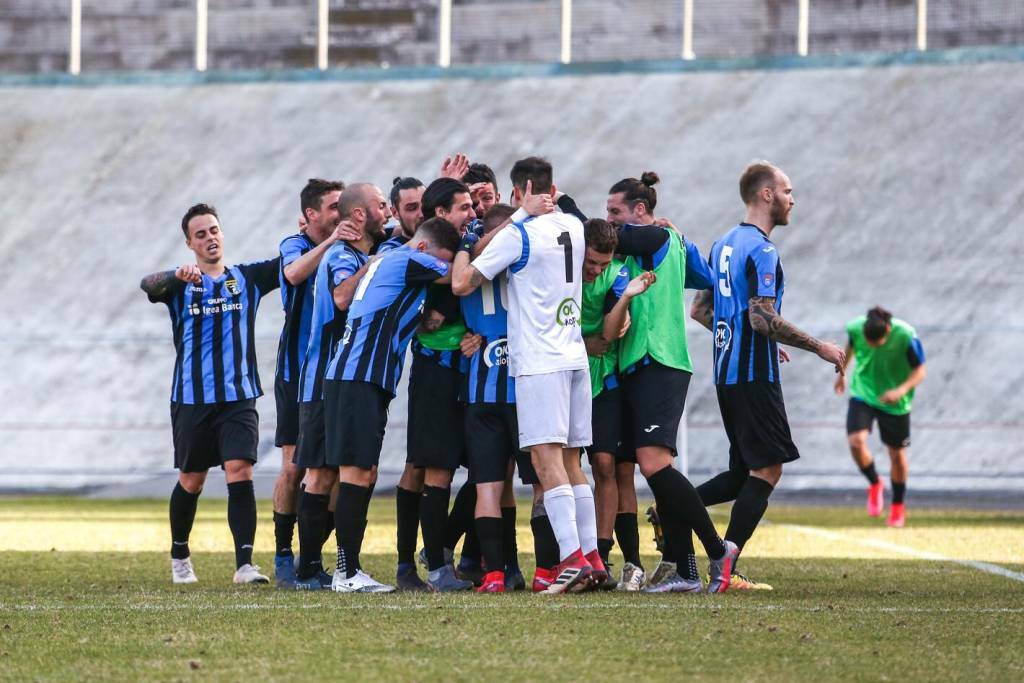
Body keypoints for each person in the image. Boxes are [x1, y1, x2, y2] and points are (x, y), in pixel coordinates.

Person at [690, 160, 846, 590]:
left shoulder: (722, 244)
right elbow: (762, 317)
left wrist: (752, 333)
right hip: (753, 376)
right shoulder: (761, 249)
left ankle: (673, 507)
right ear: (766, 195)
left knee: (743, 474)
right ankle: (725, 564)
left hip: (726, 373)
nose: (792, 199)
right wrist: (819, 347)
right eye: (788, 191)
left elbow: (701, 309)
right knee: (769, 470)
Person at [453, 157, 603, 594]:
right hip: (575, 356)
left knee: (545, 459)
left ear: (519, 192)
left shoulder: (517, 235)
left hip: (540, 361)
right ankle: (592, 555)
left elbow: (462, 283)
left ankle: (572, 559)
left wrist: (514, 218)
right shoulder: (574, 226)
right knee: (574, 462)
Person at [601, 172, 736, 594]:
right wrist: (684, 239)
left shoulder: (655, 239)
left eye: (616, 213)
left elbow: (600, 239)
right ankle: (685, 571)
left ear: (641, 211)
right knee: (660, 470)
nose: (611, 222)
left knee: (653, 464)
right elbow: (705, 277)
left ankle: (717, 550)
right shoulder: (662, 244)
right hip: (638, 364)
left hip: (659, 359)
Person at [140, 203, 280, 585]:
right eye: (200, 234)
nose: (210, 237)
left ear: (222, 233)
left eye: (213, 230)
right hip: (191, 398)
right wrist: (174, 275)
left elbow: (289, 265)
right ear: (190, 243)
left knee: (240, 470)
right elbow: (147, 284)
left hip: (238, 396)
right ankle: (180, 553)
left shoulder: (246, 278)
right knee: (192, 479)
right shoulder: (178, 287)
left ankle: (245, 564)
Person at [323, 217, 461, 593]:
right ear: (423, 249)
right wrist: (471, 245)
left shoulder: (391, 263)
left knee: (362, 473)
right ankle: (346, 573)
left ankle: (348, 571)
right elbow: (460, 276)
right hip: (358, 377)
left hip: (362, 378)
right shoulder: (408, 259)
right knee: (355, 474)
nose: (441, 268)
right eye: (440, 259)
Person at [290, 184, 385, 589]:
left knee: (352, 471)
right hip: (325, 381)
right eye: (381, 205)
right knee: (322, 475)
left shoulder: (366, 251)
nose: (388, 211)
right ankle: (313, 566)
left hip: (345, 380)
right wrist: (378, 266)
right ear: (360, 215)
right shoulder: (341, 256)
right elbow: (343, 298)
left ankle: (328, 566)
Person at [271, 178, 348, 587]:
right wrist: (333, 241)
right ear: (310, 216)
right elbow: (294, 274)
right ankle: (284, 552)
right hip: (296, 373)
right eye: (333, 206)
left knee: (333, 469)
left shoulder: (353, 246)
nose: (341, 213)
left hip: (335, 374)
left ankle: (311, 556)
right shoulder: (295, 244)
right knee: (294, 467)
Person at [406, 177, 479, 592]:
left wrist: (480, 333)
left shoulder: (471, 243)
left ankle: (443, 547)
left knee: (490, 465)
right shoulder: (422, 255)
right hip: (435, 369)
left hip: (472, 368)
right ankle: (436, 566)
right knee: (437, 470)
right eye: (465, 207)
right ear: (439, 215)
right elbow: (443, 289)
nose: (472, 214)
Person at [579, 218, 655, 591]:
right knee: (558, 466)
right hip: (562, 374)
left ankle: (601, 556)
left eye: (602, 264)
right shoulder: (559, 270)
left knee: (605, 464)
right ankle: (559, 556)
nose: (595, 270)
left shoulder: (616, 276)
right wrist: (581, 343)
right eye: (590, 263)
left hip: (603, 378)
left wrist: (625, 298)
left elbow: (609, 334)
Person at [836, 307, 926, 527]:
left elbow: (920, 371)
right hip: (863, 392)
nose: (873, 346)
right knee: (855, 442)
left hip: (895, 401)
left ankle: (897, 506)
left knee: (896, 454)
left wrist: (900, 390)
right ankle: (875, 483)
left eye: (878, 342)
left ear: (888, 329)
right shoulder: (856, 327)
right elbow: (850, 349)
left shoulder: (906, 335)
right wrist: (842, 374)